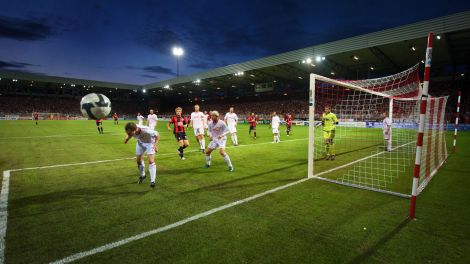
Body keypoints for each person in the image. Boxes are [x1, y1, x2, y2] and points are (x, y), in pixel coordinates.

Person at [124, 122, 160, 188]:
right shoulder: (132, 129)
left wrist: (155, 145)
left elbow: (157, 135)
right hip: (140, 142)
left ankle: (152, 181)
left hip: (150, 143)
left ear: (135, 130)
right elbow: (130, 135)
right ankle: (143, 175)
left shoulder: (147, 131)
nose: (128, 134)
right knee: (138, 161)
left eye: (129, 133)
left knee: (151, 161)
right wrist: (127, 139)